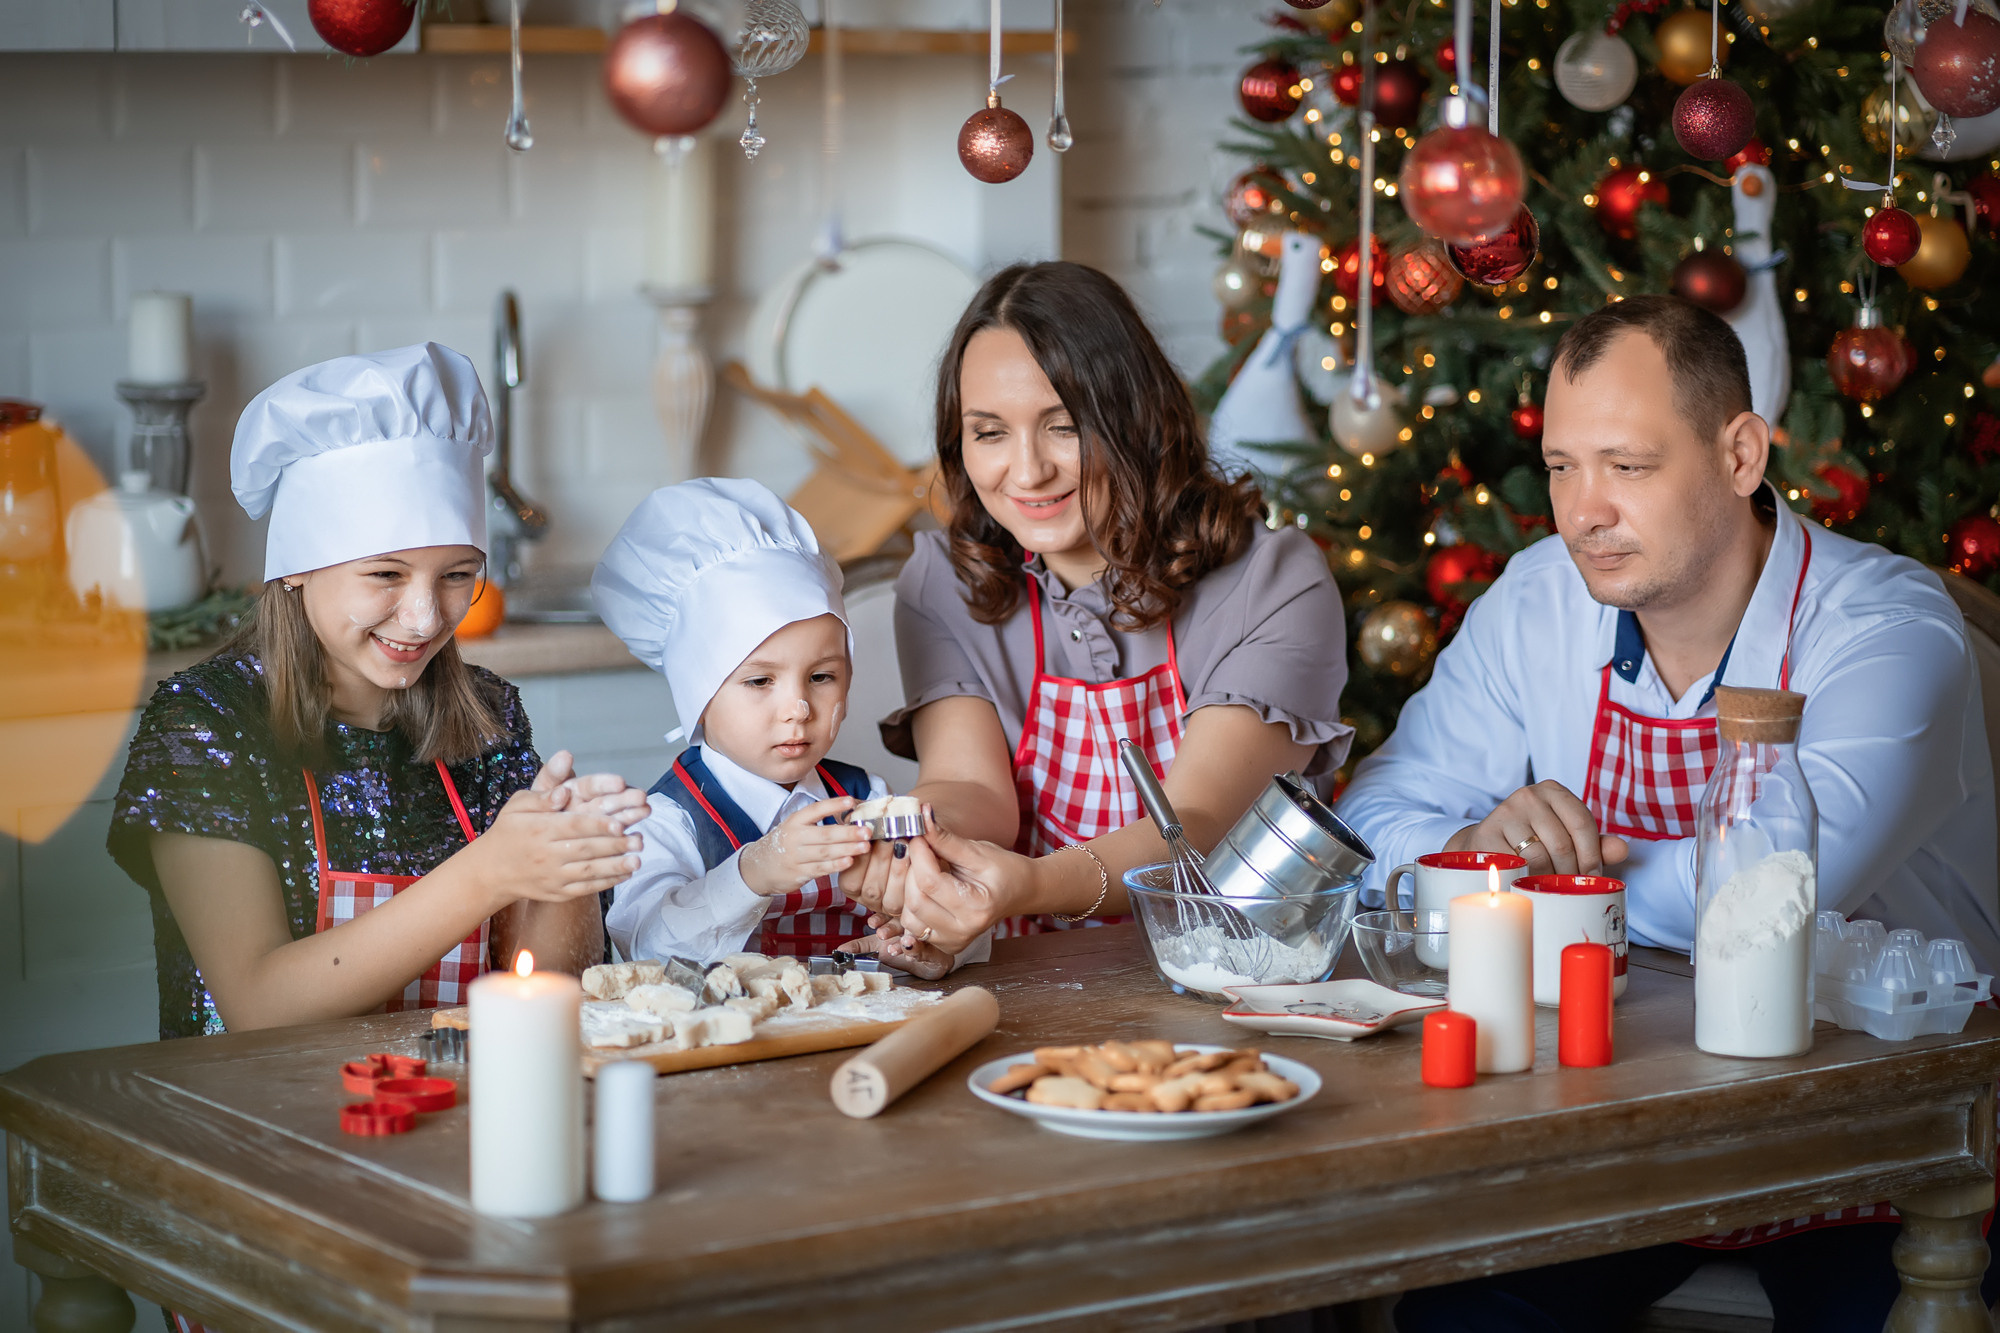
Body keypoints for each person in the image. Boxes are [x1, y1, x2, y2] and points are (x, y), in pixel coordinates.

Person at [1330, 296, 1999, 1331]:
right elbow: (1375, 807)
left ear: (1738, 454)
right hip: (1610, 1129)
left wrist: (1517, 886)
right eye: (1559, 466)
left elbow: (1759, 904)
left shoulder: (1888, 631)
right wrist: (1465, 847)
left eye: (1625, 466)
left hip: (1874, 1137)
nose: (1581, 511)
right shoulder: (1537, 599)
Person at [109, 344, 651, 1044]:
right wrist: (489, 871)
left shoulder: (487, 717)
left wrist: (566, 861)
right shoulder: (204, 724)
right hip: (252, 1124)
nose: (426, 617)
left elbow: (547, 986)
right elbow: (257, 1003)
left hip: (451, 1117)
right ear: (298, 567)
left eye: (458, 574)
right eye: (386, 575)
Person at [841, 261, 1351, 973]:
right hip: (1034, 988)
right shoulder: (944, 584)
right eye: (989, 432)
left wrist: (1034, 883)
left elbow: (1196, 824)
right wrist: (915, 845)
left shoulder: (1272, 582)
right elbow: (975, 791)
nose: (1026, 472)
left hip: (1243, 981)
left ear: (1135, 419)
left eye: (1063, 426)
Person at [595, 479, 984, 969]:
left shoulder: (869, 797)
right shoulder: (666, 821)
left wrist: (931, 946)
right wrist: (754, 872)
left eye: (822, 676)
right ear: (697, 693)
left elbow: (959, 917)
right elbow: (646, 950)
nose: (799, 708)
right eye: (759, 681)